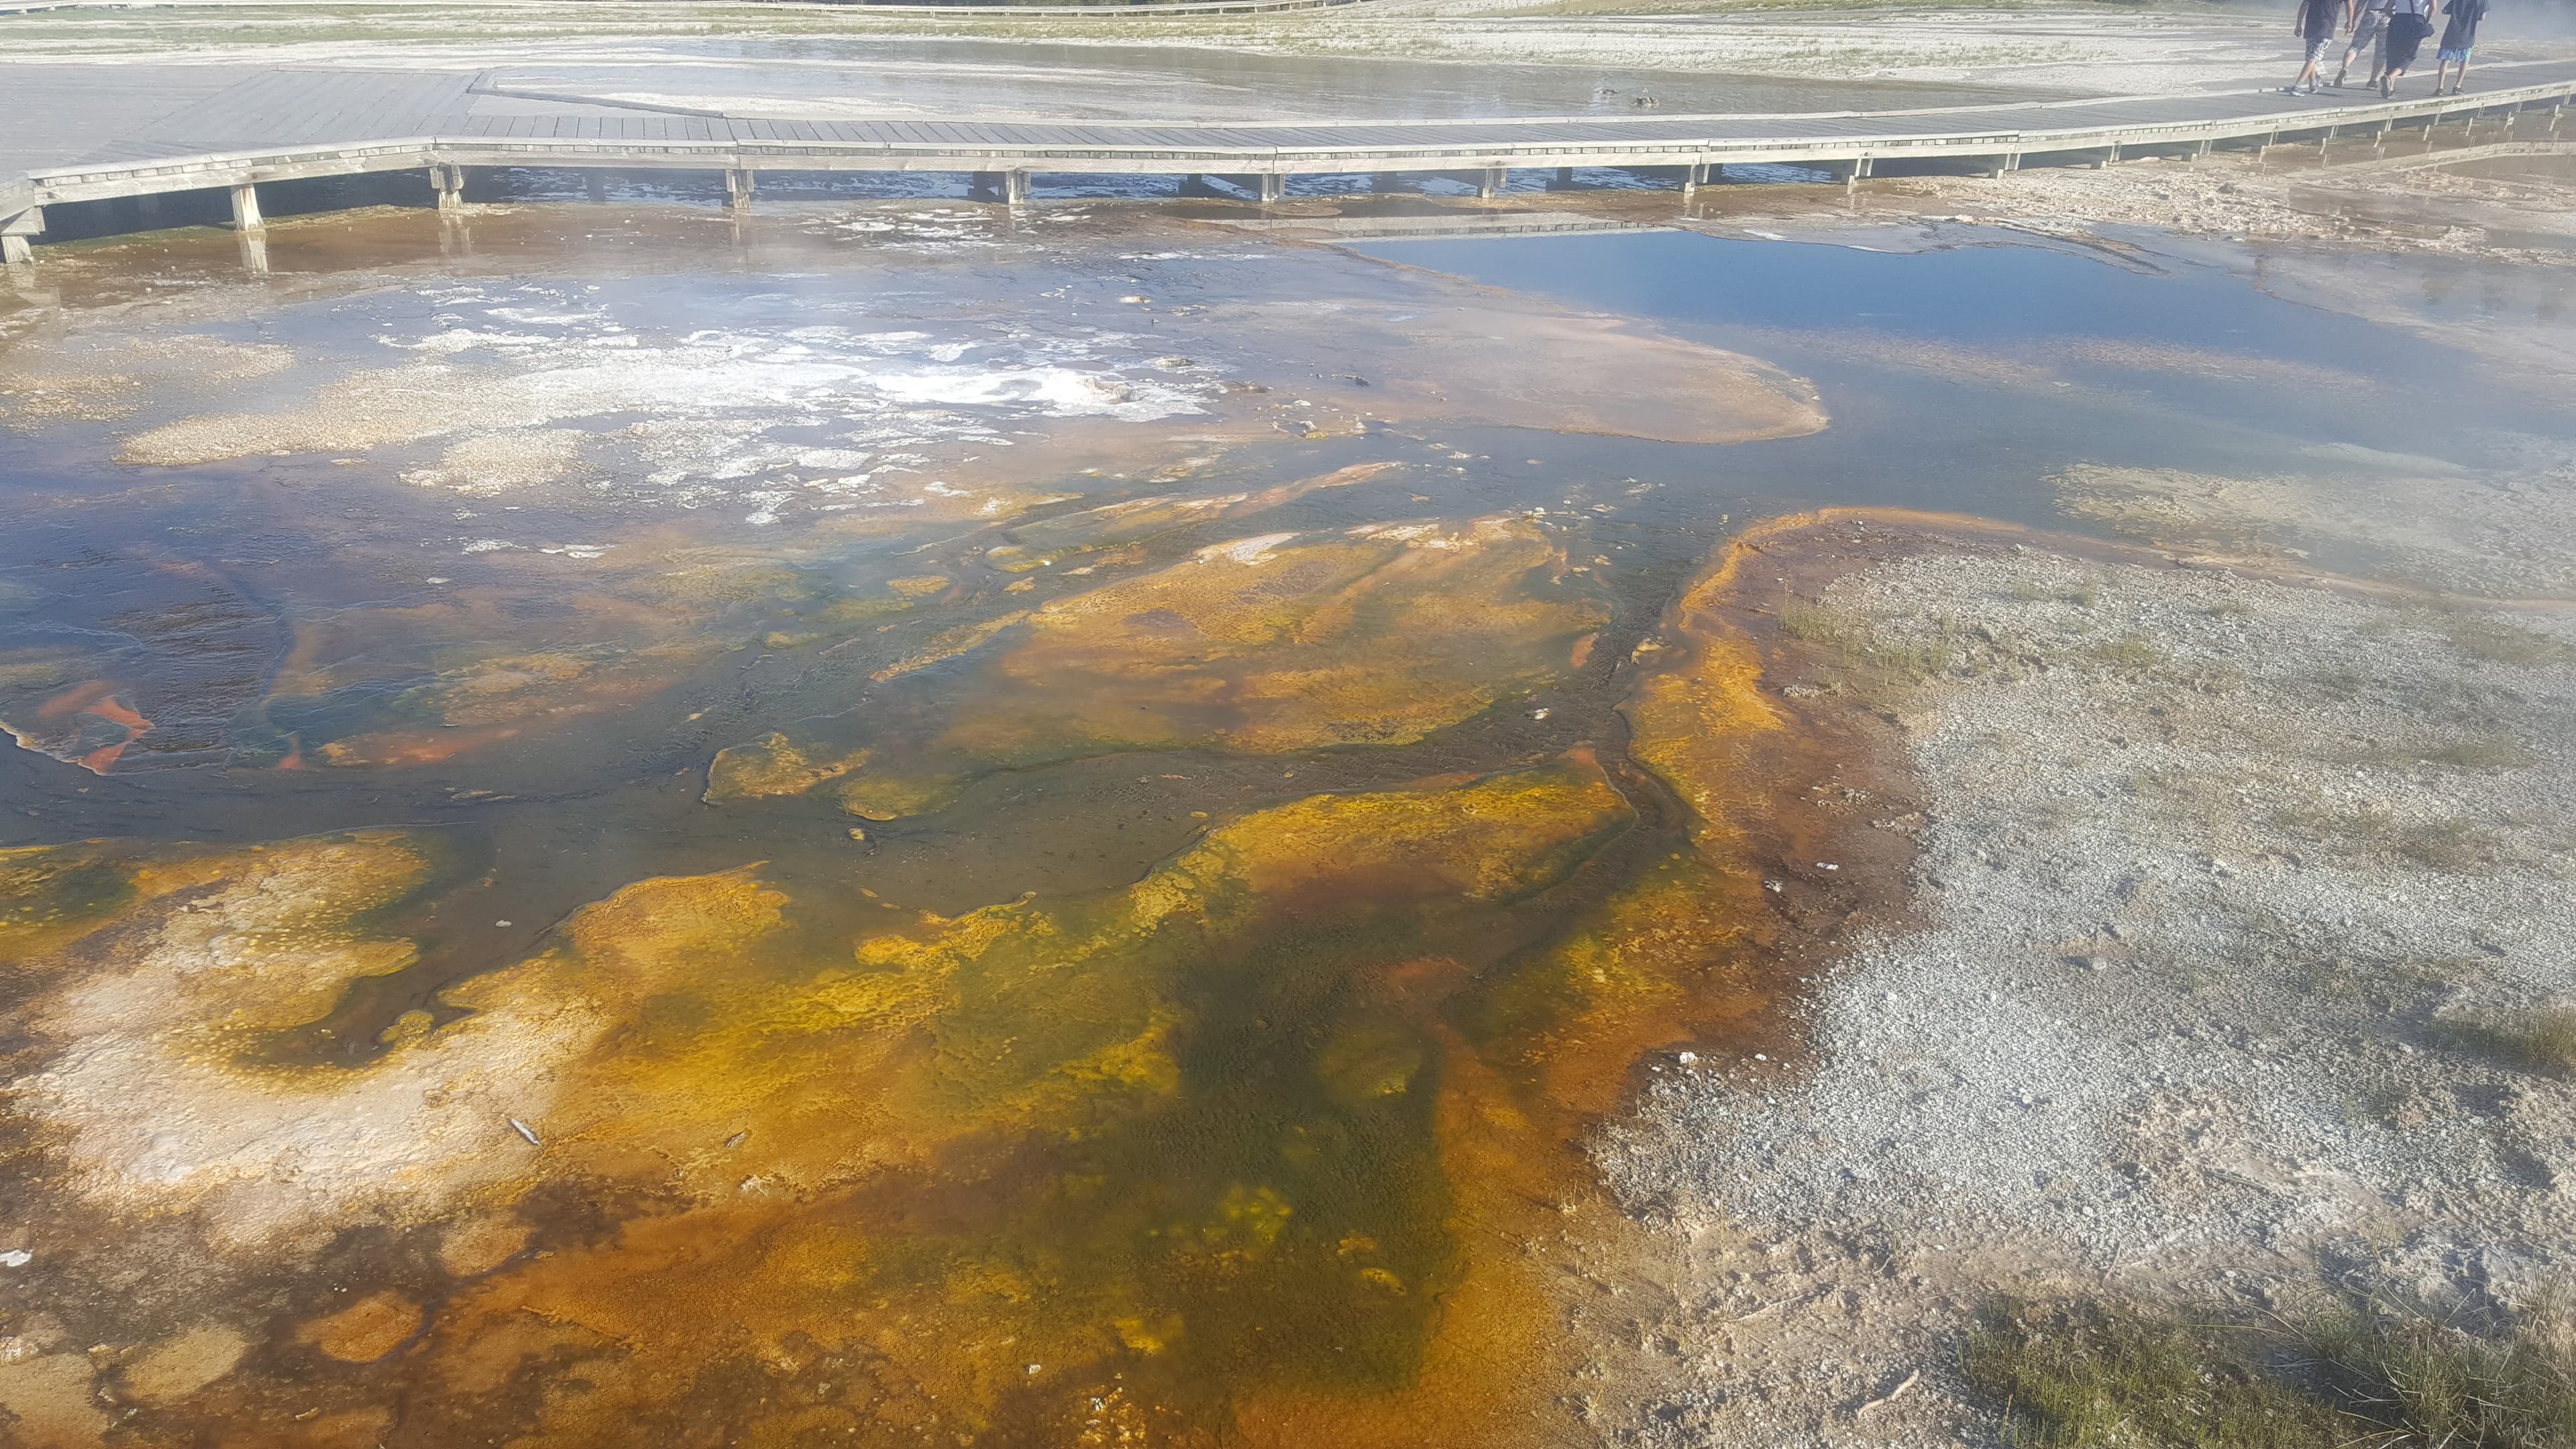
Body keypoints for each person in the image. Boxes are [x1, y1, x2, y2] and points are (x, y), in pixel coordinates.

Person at [2285, 0, 2351, 95]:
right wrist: (2350, 22)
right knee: (2314, 57)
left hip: (2311, 25)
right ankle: (2297, 87)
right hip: (2326, 26)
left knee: (2310, 56)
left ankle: (2313, 84)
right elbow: (2349, 5)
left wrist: (2298, 24)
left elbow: (2304, 4)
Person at [2381, 0, 2438, 96]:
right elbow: (2433, 8)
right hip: (2416, 21)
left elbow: (2387, 9)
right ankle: (2390, 77)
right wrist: (2427, 22)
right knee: (2409, 55)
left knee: (2394, 54)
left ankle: (2390, 88)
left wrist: (2394, 18)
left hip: (2397, 21)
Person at [2335, 0, 2392, 88]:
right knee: (2381, 52)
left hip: (2371, 13)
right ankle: (2372, 81)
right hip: (2388, 16)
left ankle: (2345, 67)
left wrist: (2352, 20)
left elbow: (2361, 4)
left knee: (2356, 47)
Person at [2435, 0, 2487, 93]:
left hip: (2452, 32)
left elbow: (2445, 11)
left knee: (2445, 61)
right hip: (2468, 34)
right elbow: (2483, 17)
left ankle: (2440, 88)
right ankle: (2457, 86)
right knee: (2465, 60)